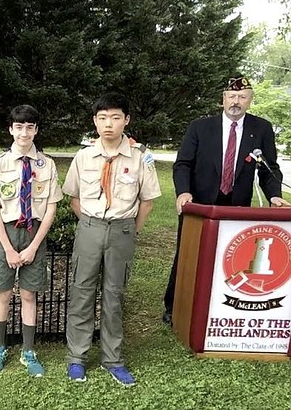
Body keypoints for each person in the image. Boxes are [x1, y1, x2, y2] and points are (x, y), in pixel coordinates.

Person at [162, 75, 290, 325]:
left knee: (231, 256)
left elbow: (268, 168)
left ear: (250, 101)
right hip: (200, 203)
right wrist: (183, 192)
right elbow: (183, 164)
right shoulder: (200, 127)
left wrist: (274, 194)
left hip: (238, 205)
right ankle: (174, 305)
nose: (236, 101)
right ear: (223, 100)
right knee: (188, 255)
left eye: (242, 97)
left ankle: (220, 304)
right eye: (231, 96)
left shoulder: (261, 128)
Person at [62, 92, 161, 386]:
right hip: (90, 228)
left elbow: (147, 202)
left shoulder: (140, 157)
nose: (109, 124)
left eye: (116, 117)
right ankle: (77, 358)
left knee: (114, 296)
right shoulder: (83, 156)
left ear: (126, 120)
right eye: (103, 117)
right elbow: (74, 199)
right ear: (94, 121)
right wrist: (92, 224)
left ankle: (113, 359)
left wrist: (132, 229)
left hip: (123, 230)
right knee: (81, 293)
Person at [0, 105, 63, 377]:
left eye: (30, 127)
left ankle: (28, 350)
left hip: (33, 234)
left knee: (28, 294)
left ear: (36, 130)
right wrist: (7, 248)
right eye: (19, 127)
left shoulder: (47, 165)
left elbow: (50, 209)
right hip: (6, 233)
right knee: (2, 293)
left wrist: (34, 245)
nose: (24, 132)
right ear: (11, 129)